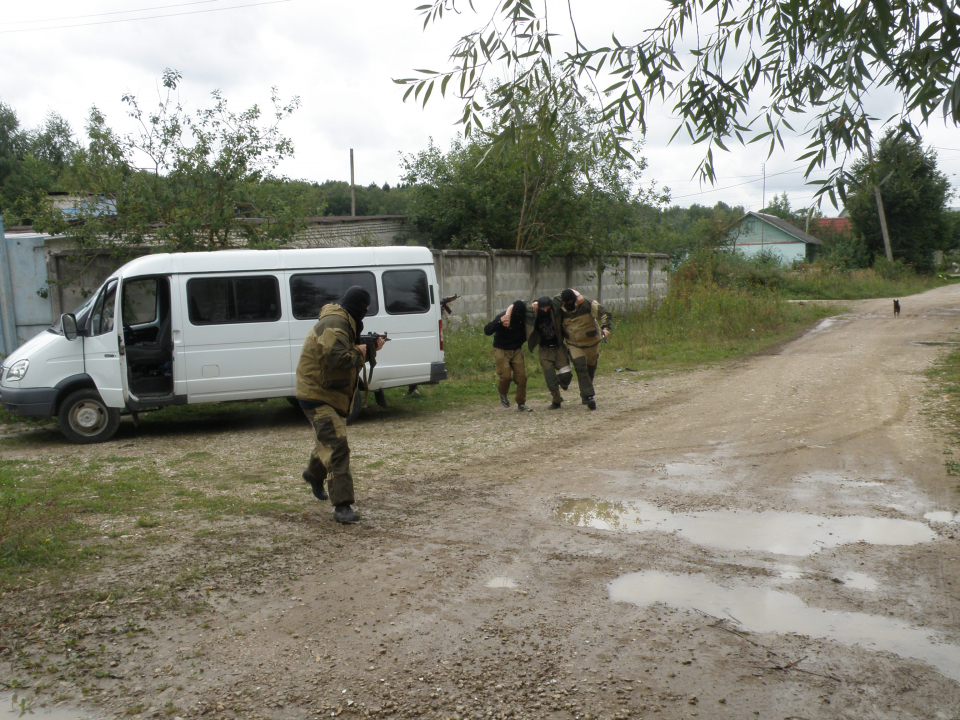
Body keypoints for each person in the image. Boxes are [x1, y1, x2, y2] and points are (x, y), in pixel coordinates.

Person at [295, 286, 385, 524]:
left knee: (329, 440)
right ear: (358, 307)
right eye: (365, 308)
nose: (366, 312)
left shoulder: (346, 321)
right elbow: (337, 358)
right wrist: (362, 353)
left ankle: (313, 474)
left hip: (330, 392)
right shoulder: (336, 323)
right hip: (317, 394)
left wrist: (369, 348)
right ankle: (342, 506)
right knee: (337, 445)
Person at [503, 295, 572, 410]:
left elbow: (565, 293)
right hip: (544, 349)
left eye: (547, 308)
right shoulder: (533, 311)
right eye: (543, 308)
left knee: (566, 374)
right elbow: (517, 304)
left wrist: (578, 296)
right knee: (550, 378)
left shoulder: (555, 308)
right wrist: (508, 315)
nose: (545, 310)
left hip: (559, 347)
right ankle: (556, 401)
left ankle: (563, 383)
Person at [555, 288, 611, 410]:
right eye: (566, 303)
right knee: (581, 367)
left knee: (590, 369)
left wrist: (606, 328)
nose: (569, 305)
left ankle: (585, 391)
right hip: (573, 343)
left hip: (592, 342)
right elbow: (549, 301)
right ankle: (588, 397)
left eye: (571, 301)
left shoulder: (586, 303)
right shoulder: (559, 304)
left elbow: (604, 313)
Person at [484, 300, 533, 412]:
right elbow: (487, 331)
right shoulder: (503, 316)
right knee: (505, 377)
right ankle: (502, 393)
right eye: (518, 314)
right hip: (501, 348)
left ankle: (521, 403)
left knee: (521, 378)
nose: (519, 316)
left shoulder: (524, 317)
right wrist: (499, 322)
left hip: (516, 349)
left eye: (521, 314)